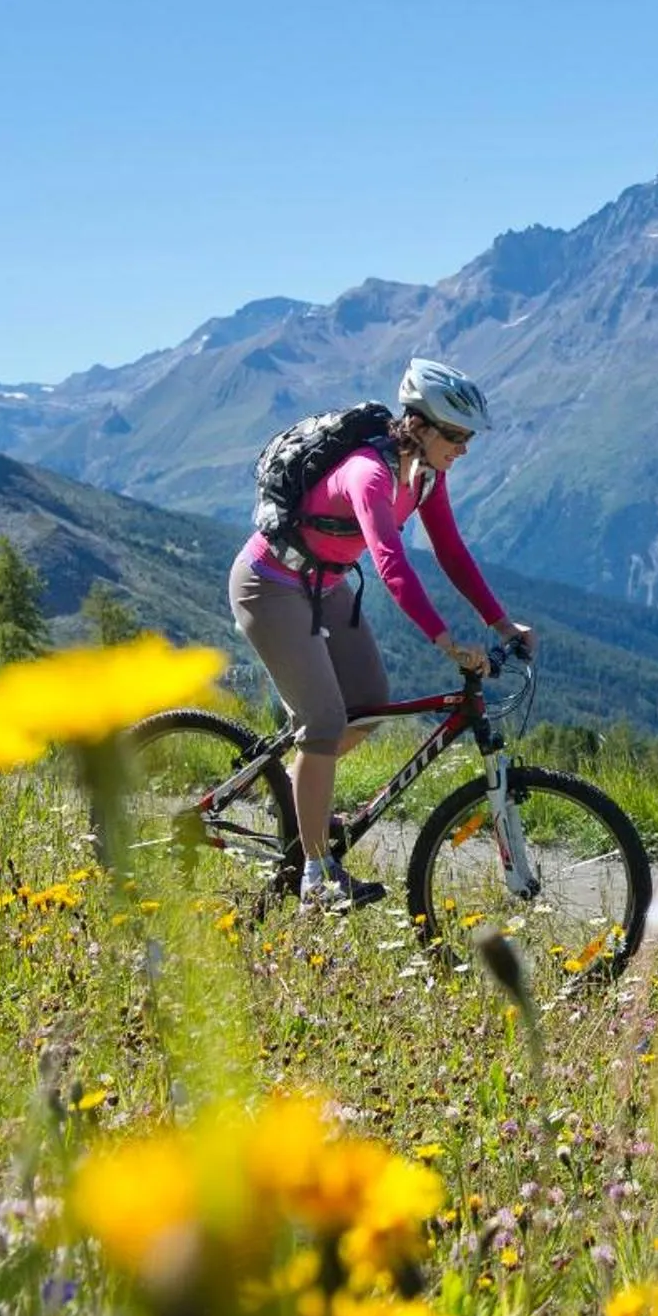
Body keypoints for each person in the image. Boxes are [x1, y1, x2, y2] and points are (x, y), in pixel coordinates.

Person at [229, 359, 536, 909]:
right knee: (324, 722)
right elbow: (391, 563)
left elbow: (450, 550)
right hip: (269, 585)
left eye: (469, 438)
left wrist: (501, 622)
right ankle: (315, 877)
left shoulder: (427, 476)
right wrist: (444, 641)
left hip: (325, 584)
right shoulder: (369, 473)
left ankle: (301, 797)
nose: (464, 448)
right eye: (457, 435)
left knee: (368, 704)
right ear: (420, 425)